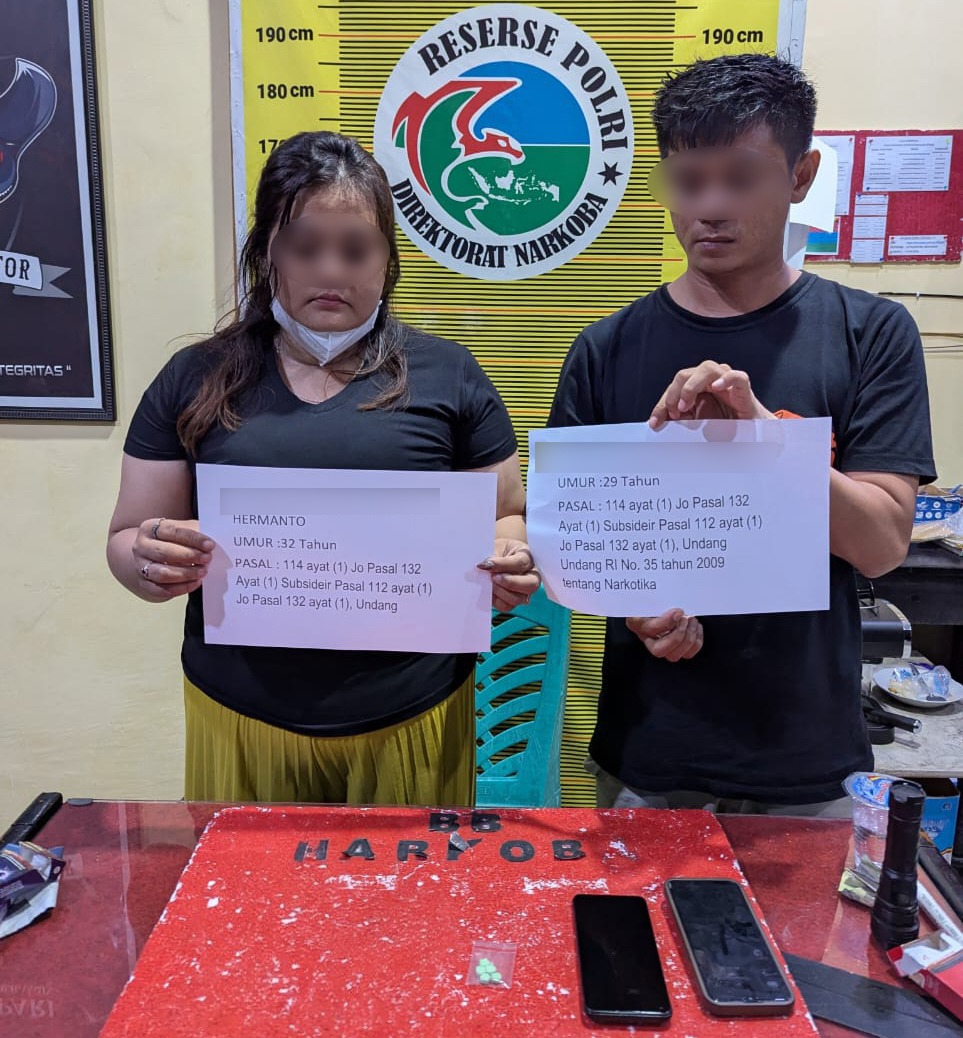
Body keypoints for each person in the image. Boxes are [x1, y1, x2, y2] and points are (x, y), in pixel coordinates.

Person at [548, 53, 935, 813]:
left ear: (800, 176)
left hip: (804, 755)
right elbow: (577, 545)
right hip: (650, 752)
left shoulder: (870, 333)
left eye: (740, 178)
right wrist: (636, 607)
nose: (711, 207)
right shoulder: (605, 348)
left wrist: (763, 436)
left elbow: (883, 544)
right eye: (688, 181)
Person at [107, 131, 539, 806]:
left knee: (406, 881)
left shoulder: (450, 375)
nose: (331, 270)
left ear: (387, 260)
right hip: (240, 718)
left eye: (356, 250)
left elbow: (506, 514)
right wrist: (148, 560)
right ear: (268, 253)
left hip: (413, 716)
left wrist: (508, 557)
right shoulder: (194, 377)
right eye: (305, 248)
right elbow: (127, 536)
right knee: (247, 879)